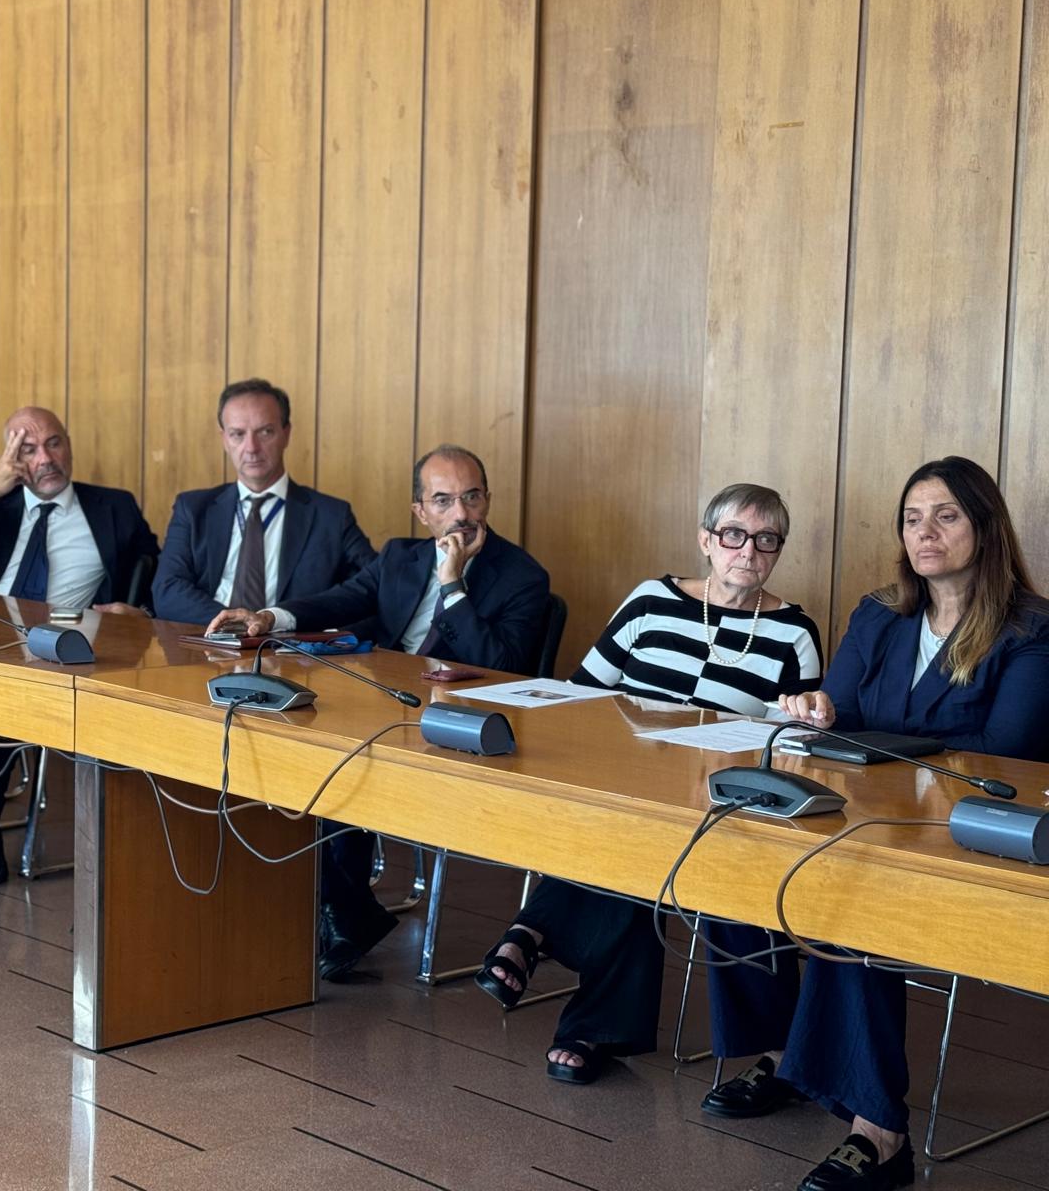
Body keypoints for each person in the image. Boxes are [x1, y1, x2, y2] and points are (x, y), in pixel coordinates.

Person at [705, 457, 1049, 1191]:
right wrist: (818, 711)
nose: (925, 532)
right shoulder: (879, 613)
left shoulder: (1031, 628)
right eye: (912, 518)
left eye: (947, 516)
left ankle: (879, 1134)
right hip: (869, 818)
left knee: (850, 902)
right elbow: (842, 715)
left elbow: (1005, 752)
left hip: (968, 836)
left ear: (986, 528)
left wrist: (872, 743)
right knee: (739, 852)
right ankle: (781, 1057)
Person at [472, 484, 822, 1086]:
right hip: (619, 779)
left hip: (711, 802)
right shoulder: (651, 600)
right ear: (706, 540)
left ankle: (532, 932)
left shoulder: (794, 633)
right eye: (734, 535)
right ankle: (591, 1023)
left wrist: (802, 720)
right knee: (635, 836)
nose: (748, 551)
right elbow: (581, 693)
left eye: (766, 540)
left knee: (647, 844)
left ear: (778, 551)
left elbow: (791, 743)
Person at [208, 444, 550, 980]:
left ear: (488, 499)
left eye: (471, 497)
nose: (461, 513)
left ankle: (342, 913)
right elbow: (340, 600)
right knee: (291, 744)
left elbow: (501, 665)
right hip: (385, 709)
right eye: (443, 501)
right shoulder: (398, 557)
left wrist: (452, 583)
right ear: (420, 511)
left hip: (459, 728)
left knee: (344, 754)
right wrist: (271, 617)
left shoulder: (522, 576)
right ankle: (340, 910)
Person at [0, 405, 159, 885]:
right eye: (27, 449)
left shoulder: (113, 506)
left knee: (7, 684)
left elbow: (155, 568)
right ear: (11, 459)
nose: (45, 458)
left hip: (71, 645)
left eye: (53, 443)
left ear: (69, 444)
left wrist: (139, 610)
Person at [152, 378, 374, 624]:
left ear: (286, 434)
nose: (251, 447)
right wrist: (233, 622)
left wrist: (282, 620)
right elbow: (167, 589)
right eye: (238, 434)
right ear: (224, 439)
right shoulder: (193, 509)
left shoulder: (331, 515)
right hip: (205, 636)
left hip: (287, 642)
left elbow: (373, 583)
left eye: (265, 432)